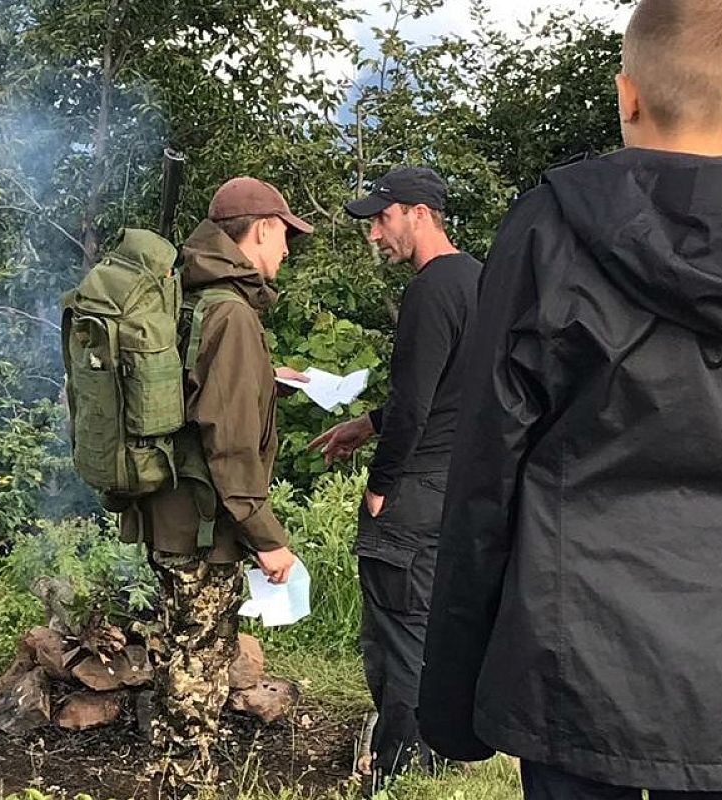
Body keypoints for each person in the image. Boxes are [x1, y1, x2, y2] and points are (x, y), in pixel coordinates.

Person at [418, 1, 722, 798]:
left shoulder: (547, 230)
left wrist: (451, 695)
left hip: (572, 663)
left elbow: (482, 474)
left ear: (626, 94)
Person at [120, 176, 311, 785]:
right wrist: (266, 537)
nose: (286, 250)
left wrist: (264, 377)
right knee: (195, 668)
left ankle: (178, 777)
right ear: (259, 232)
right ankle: (181, 783)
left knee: (185, 651)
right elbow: (226, 444)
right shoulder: (230, 314)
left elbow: (194, 391)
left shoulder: (194, 298)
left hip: (175, 512)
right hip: (202, 524)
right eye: (284, 236)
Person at [307, 166, 481, 786]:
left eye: (381, 219)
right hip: (457, 490)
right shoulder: (481, 281)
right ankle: (432, 750)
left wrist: (381, 485)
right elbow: (458, 390)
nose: (374, 234)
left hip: (413, 493)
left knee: (396, 635)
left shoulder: (431, 289)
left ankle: (397, 766)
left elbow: (415, 403)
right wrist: (366, 423)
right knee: (430, 625)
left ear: (419, 213)